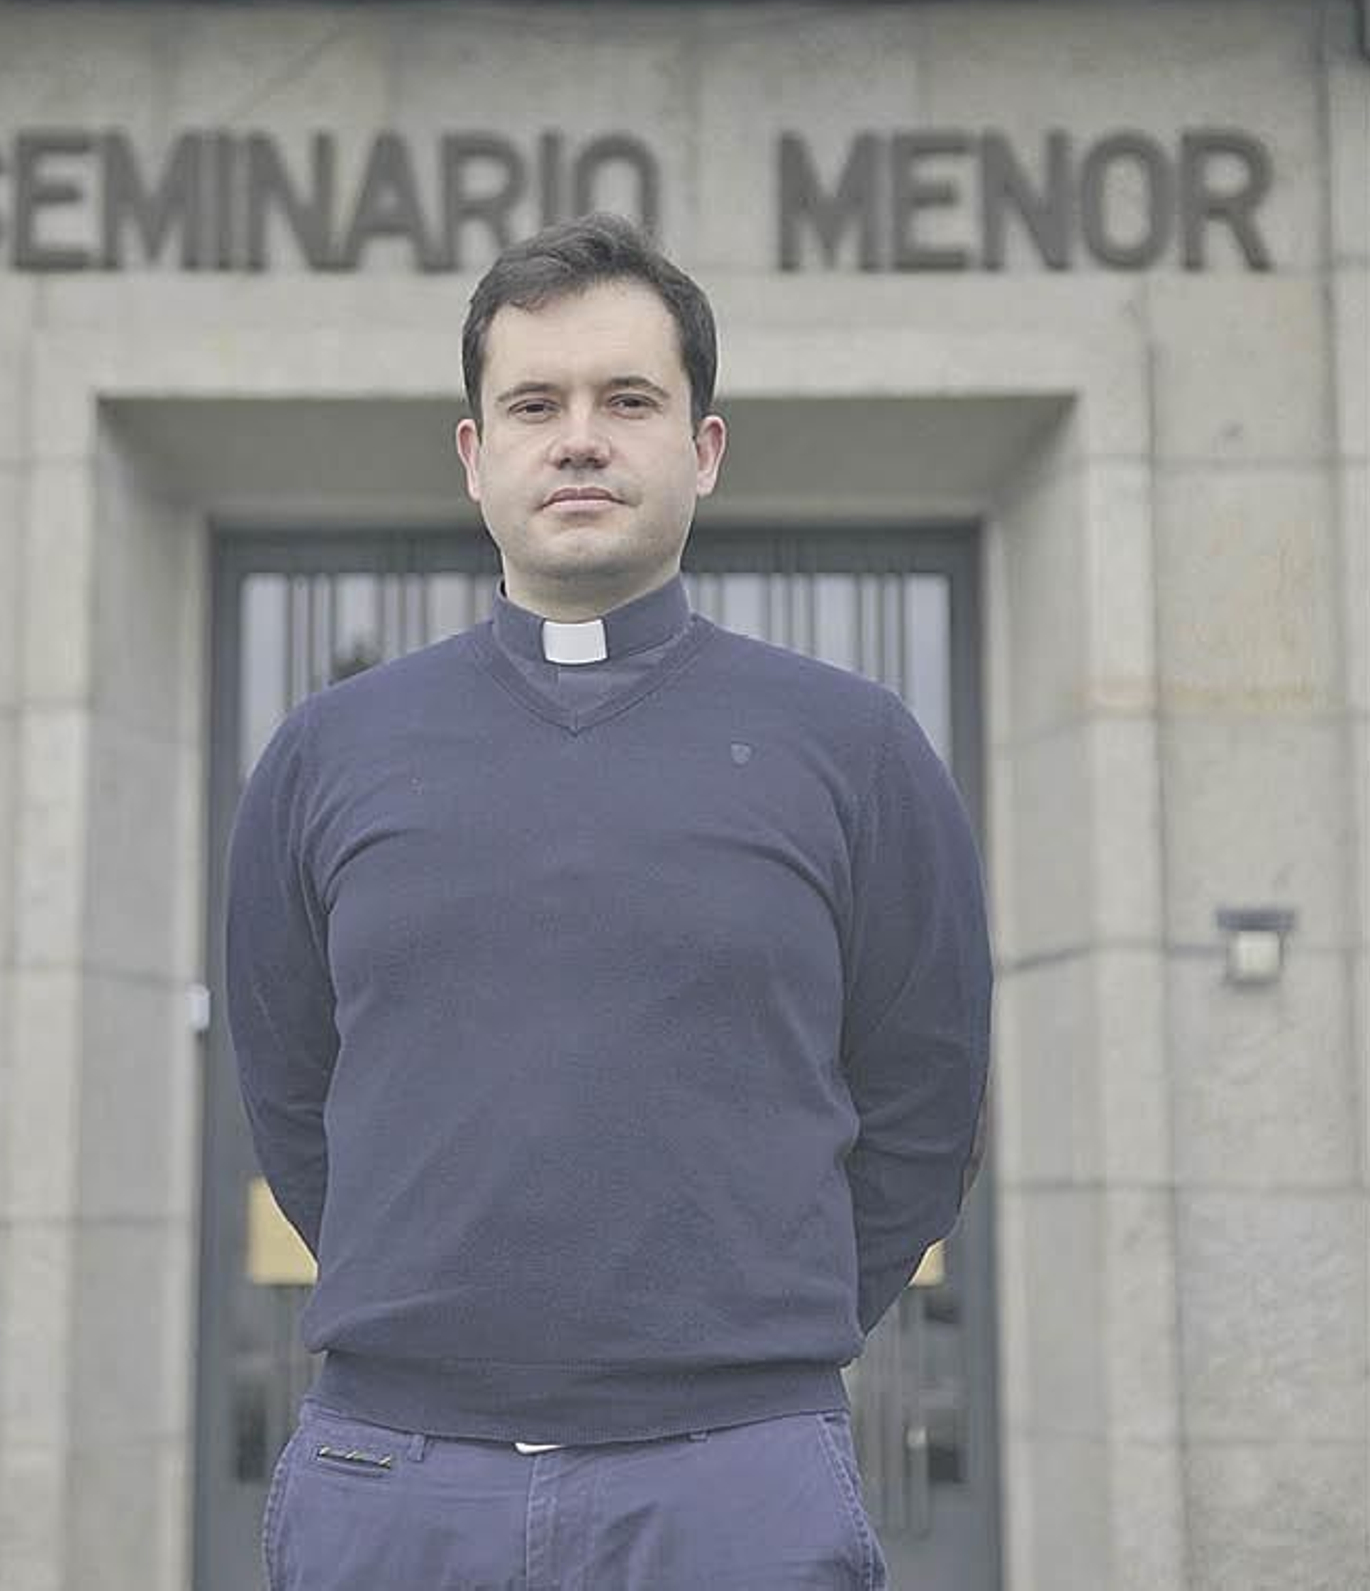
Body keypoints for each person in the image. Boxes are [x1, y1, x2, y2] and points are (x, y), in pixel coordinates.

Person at [226, 213, 993, 1591]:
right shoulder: (327, 754)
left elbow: (926, 1105)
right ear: (477, 457)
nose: (579, 437)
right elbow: (289, 1089)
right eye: (534, 403)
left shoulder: (852, 749)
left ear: (702, 448)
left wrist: (758, 1336)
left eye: (628, 400)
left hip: (737, 1483)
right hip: (394, 1478)